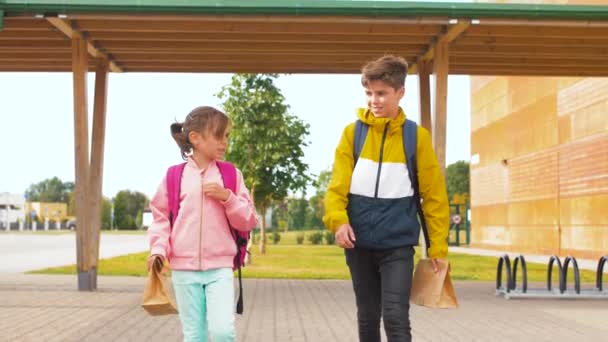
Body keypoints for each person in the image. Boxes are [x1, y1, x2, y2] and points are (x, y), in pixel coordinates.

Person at [323, 55, 449, 342]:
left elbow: (434, 197)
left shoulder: (415, 137)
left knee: (395, 315)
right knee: (367, 317)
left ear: (400, 93)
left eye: (382, 93)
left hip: (398, 245)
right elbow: (336, 188)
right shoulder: (352, 134)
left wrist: (438, 247)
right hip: (359, 244)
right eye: (369, 93)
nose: (374, 100)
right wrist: (338, 222)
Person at [148, 106, 258, 342]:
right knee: (194, 336)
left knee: (222, 332)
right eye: (219, 136)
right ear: (195, 138)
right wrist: (158, 250)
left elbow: (249, 219)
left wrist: (228, 198)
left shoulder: (231, 175)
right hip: (183, 270)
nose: (224, 143)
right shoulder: (173, 176)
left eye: (227, 136)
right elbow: (160, 219)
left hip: (220, 268)